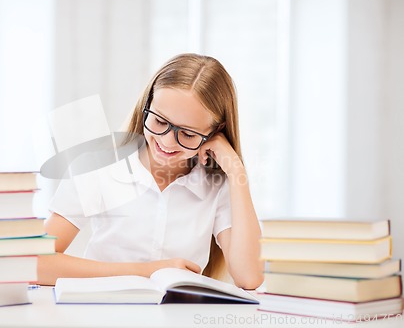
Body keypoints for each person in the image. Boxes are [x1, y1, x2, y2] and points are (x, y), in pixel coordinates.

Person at [38, 53, 264, 289]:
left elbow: (249, 278)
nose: (167, 141)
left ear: (216, 132)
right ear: (147, 105)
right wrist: (146, 272)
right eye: (159, 121)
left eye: (187, 134)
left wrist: (236, 171)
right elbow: (36, 263)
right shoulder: (99, 166)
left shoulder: (217, 185)